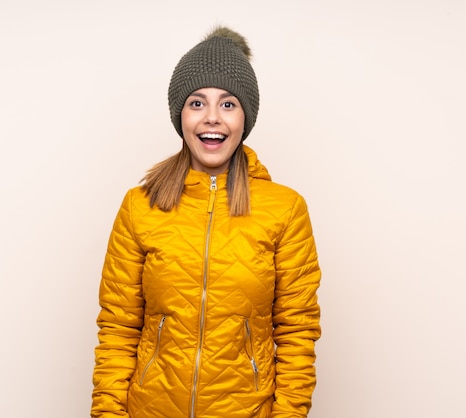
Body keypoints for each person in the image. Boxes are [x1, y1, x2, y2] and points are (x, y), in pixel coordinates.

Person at [91, 26, 321, 418]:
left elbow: (297, 334)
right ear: (179, 114)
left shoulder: (286, 209)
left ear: (245, 116)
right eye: (197, 103)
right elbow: (118, 328)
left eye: (228, 104)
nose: (212, 118)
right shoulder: (139, 206)